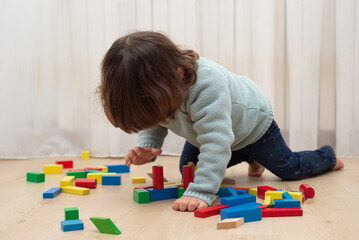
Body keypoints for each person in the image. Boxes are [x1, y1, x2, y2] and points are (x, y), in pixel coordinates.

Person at [98, 31, 344, 212]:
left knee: (290, 169)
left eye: (157, 112)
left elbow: (216, 143)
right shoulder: (162, 89)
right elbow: (156, 120)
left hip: (254, 127)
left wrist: (203, 192)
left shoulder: (207, 85)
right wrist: (148, 146)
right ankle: (251, 158)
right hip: (209, 132)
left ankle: (327, 157)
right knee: (190, 169)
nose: (160, 118)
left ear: (178, 75)